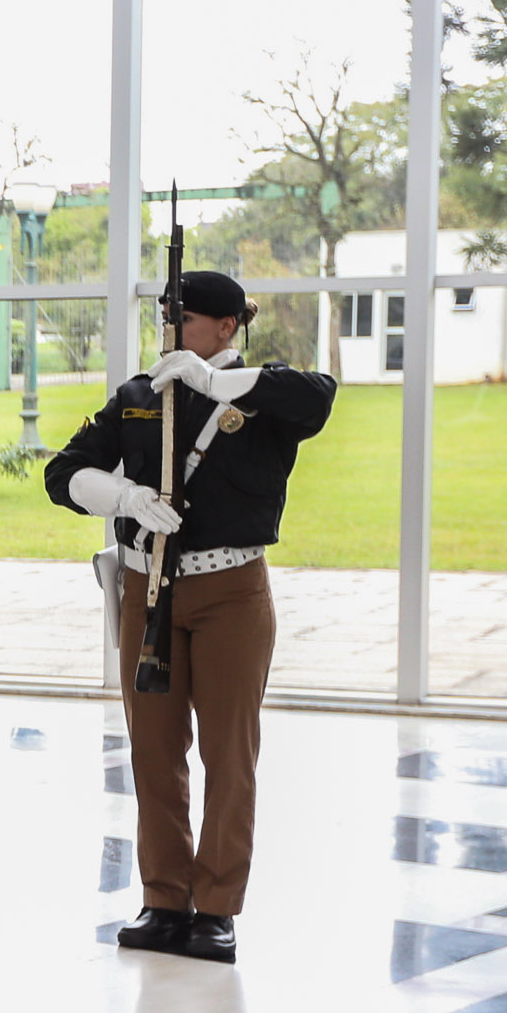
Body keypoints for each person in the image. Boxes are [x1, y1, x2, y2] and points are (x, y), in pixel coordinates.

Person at [46, 269, 335, 964]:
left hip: (230, 590)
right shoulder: (142, 395)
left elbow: (317, 397)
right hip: (148, 592)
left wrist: (217, 384)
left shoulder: (260, 396)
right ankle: (164, 897)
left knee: (228, 755)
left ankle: (218, 905)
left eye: (183, 319)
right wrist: (124, 497)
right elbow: (65, 472)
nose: (168, 329)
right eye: (166, 316)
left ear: (227, 327)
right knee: (152, 750)